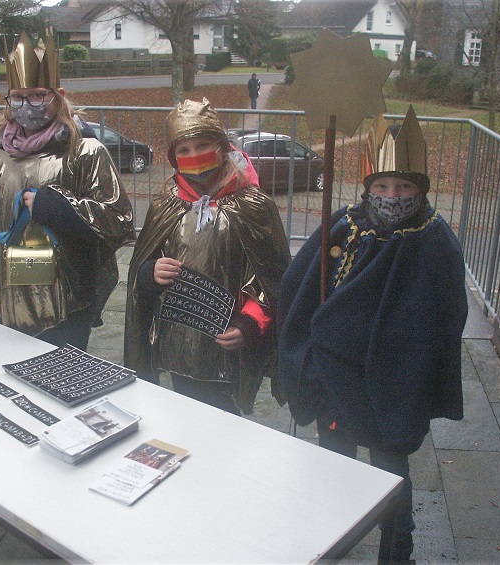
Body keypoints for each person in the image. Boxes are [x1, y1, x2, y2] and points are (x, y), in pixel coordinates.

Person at [275, 106, 468, 563]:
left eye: (403, 187)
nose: (391, 195)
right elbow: (300, 290)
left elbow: (443, 319)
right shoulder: (344, 225)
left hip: (391, 386)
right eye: (381, 186)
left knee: (390, 475)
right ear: (368, 186)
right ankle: (331, 542)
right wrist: (305, 351)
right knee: (335, 468)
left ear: (419, 189)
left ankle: (397, 551)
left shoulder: (434, 241)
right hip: (334, 381)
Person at [0, 29, 135, 350]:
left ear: (59, 95)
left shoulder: (86, 153)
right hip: (1, 298)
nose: (26, 105)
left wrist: (61, 210)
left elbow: (119, 220)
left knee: (59, 378)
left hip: (64, 299)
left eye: (38, 95)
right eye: (18, 97)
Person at [124, 98, 291, 415]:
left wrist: (251, 323)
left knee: (222, 425)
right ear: (174, 156)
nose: (194, 156)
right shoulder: (167, 204)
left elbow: (273, 279)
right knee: (182, 417)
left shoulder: (253, 205)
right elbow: (142, 267)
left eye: (203, 145)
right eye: (183, 150)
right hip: (175, 341)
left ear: (223, 147)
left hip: (226, 346)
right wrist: (150, 273)